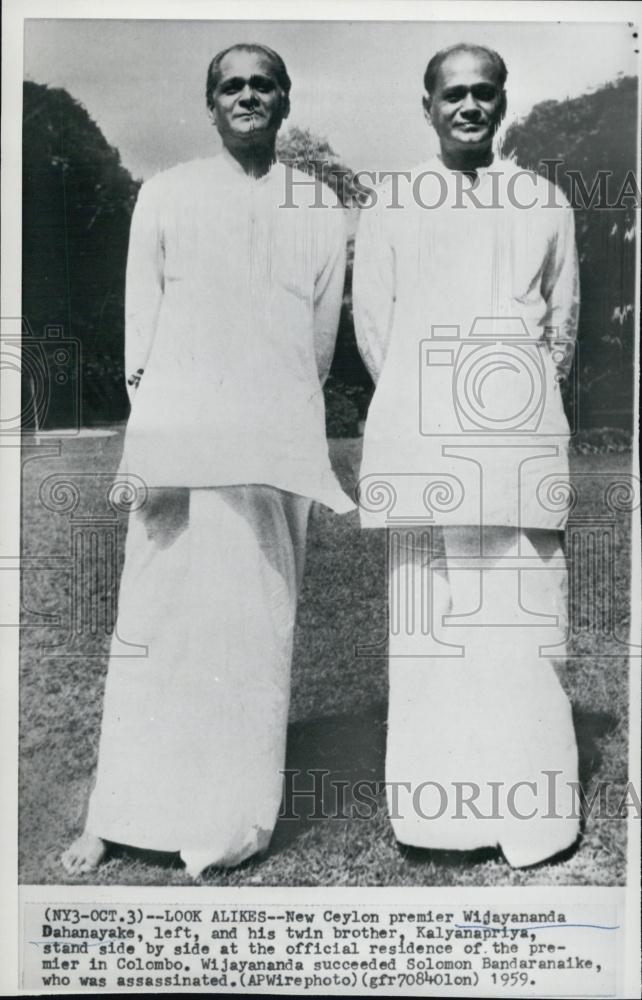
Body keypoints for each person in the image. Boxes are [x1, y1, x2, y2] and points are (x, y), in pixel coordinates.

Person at [62, 43, 353, 879]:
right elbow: (139, 332)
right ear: (210, 102)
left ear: (286, 100)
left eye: (264, 85)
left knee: (254, 622)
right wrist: (163, 421)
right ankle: (117, 816)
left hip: (271, 443)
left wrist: (273, 406)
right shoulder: (167, 193)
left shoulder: (320, 205)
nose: (248, 96)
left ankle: (229, 822)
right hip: (178, 441)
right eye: (232, 85)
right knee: (154, 622)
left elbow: (321, 340)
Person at [353, 44, 580, 867]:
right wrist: (429, 404)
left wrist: (509, 404)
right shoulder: (391, 202)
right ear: (428, 106)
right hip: (422, 444)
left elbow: (561, 327)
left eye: (485, 93)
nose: (470, 107)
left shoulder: (545, 201)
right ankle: (439, 818)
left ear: (504, 102)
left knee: (522, 628)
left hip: (516, 446)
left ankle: (534, 815)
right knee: (434, 631)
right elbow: (374, 328)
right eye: (454, 95)